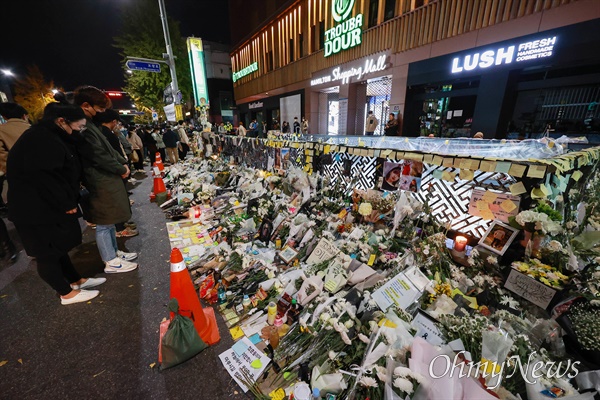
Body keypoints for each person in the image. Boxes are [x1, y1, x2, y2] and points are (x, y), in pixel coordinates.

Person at [7, 101, 106, 304]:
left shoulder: (52, 135)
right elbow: (45, 176)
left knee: (58, 248)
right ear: (61, 121)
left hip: (45, 205)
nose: (77, 131)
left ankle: (75, 280)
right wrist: (65, 202)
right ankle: (65, 293)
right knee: (46, 252)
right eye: (76, 127)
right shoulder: (40, 139)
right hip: (34, 209)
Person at [72, 86, 138, 273]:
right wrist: (120, 168)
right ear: (86, 105)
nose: (101, 112)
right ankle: (111, 261)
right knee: (104, 222)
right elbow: (98, 154)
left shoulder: (89, 124)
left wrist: (122, 164)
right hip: (98, 180)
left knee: (108, 220)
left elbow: (107, 150)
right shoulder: (83, 126)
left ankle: (115, 252)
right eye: (99, 108)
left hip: (105, 177)